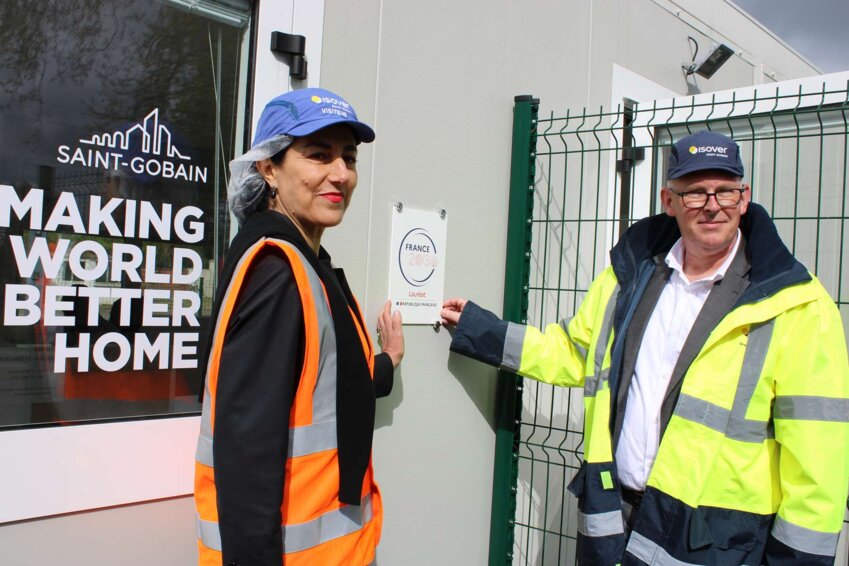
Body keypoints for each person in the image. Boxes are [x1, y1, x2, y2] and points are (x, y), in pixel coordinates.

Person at [441, 130, 849, 565]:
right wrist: (482, 330)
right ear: (668, 201)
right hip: (613, 518)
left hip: (713, 546)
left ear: (744, 198)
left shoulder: (797, 305)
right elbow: (577, 352)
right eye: (694, 193)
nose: (712, 205)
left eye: (726, 191)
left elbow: (818, 469)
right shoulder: (633, 274)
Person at [194, 88, 404, 566]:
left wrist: (386, 361)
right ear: (268, 168)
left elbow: (327, 387)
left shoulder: (305, 262)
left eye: (348, 158)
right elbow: (246, 452)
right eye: (318, 155)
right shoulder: (277, 272)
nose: (341, 174)